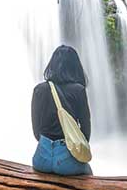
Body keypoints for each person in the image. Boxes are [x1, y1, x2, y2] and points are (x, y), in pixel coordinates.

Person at [31, 45, 93, 175]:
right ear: (75, 66)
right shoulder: (78, 90)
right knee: (88, 174)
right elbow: (86, 130)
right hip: (66, 158)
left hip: (41, 159)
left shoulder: (39, 89)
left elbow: (36, 131)